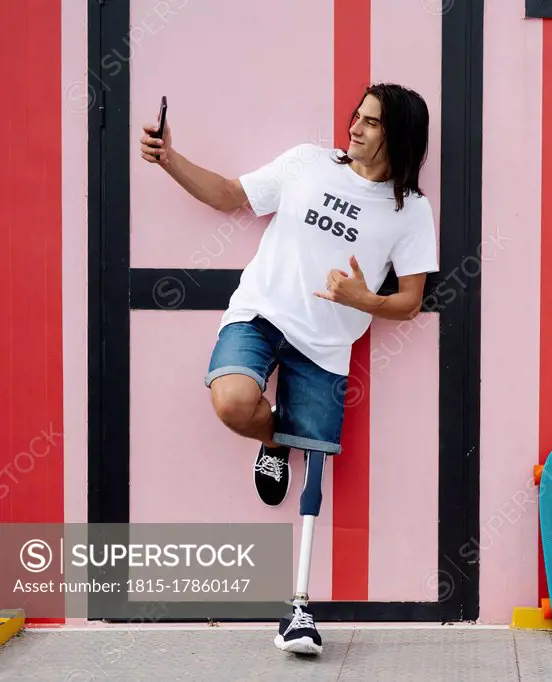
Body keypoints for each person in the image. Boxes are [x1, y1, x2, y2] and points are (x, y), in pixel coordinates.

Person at [139, 83, 438, 655]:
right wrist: (170, 159)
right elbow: (230, 195)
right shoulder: (307, 163)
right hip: (261, 313)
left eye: (371, 123)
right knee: (231, 403)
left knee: (317, 469)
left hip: (325, 346)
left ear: (398, 136)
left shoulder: (411, 210)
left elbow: (410, 302)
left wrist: (361, 300)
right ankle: (276, 439)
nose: (354, 127)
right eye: (357, 115)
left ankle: (298, 611)